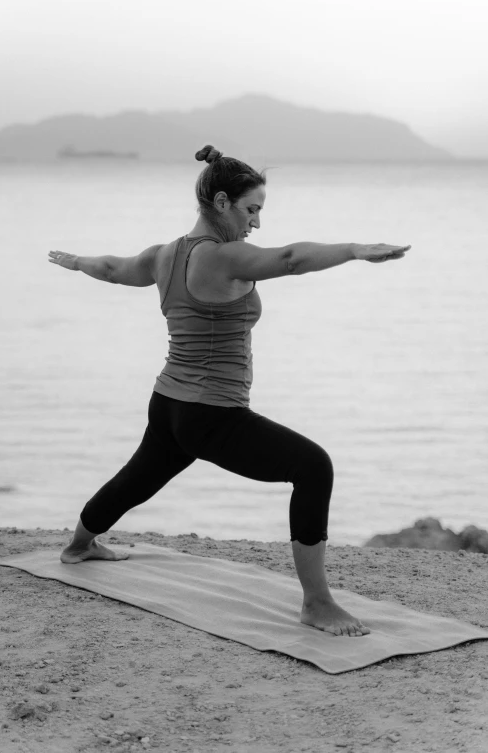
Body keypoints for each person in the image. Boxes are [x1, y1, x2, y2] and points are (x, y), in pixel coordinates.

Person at [49, 144, 411, 636]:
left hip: (169, 402)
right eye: (252, 210)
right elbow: (288, 259)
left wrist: (75, 262)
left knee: (138, 478)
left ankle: (79, 546)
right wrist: (353, 251)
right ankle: (318, 604)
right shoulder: (224, 258)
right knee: (313, 467)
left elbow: (112, 269)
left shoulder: (163, 255)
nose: (256, 223)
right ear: (222, 203)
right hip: (211, 414)